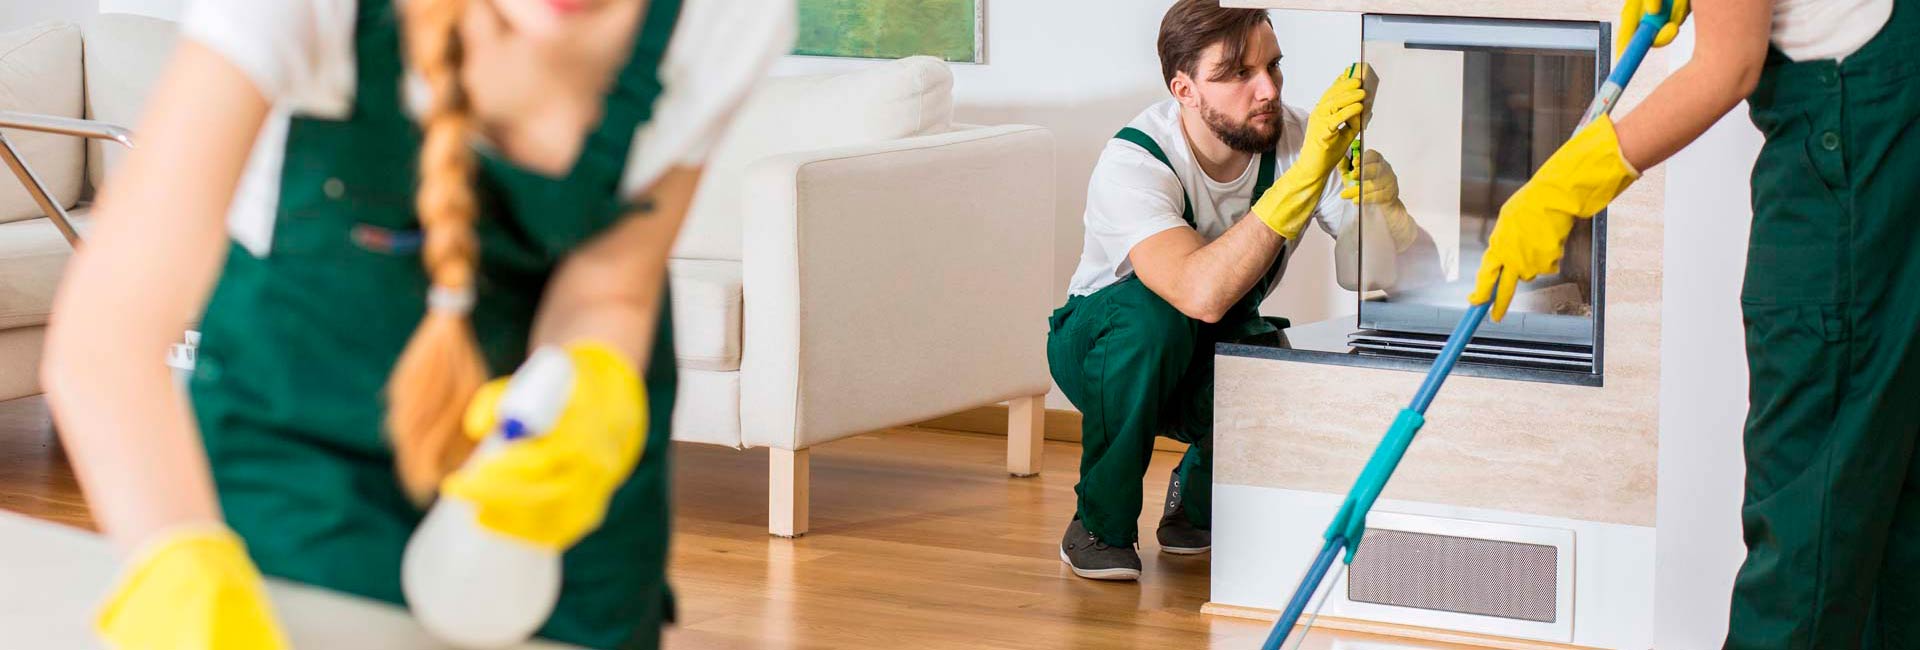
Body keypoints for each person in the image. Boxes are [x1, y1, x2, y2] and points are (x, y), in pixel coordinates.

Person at [38, 0, 792, 648]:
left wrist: (584, 400)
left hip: (551, 479)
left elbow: (612, 285)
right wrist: (175, 567)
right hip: (301, 450)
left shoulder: (723, 18)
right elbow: (109, 334)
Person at [1469, 0, 1917, 645]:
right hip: (1888, 138)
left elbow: (1728, 67)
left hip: (1852, 153)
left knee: (1806, 539)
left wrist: (1567, 185)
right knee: (1887, 518)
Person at [1047, 0, 1423, 581]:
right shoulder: (1136, 161)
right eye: (1238, 74)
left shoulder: (1299, 138)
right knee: (1154, 320)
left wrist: (1389, 215)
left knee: (1269, 360)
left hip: (1202, 342)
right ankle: (1098, 525)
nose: (1267, 89)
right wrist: (1303, 180)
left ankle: (1195, 507)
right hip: (1102, 350)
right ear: (1185, 89)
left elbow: (1372, 275)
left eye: (1273, 66)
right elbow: (1197, 294)